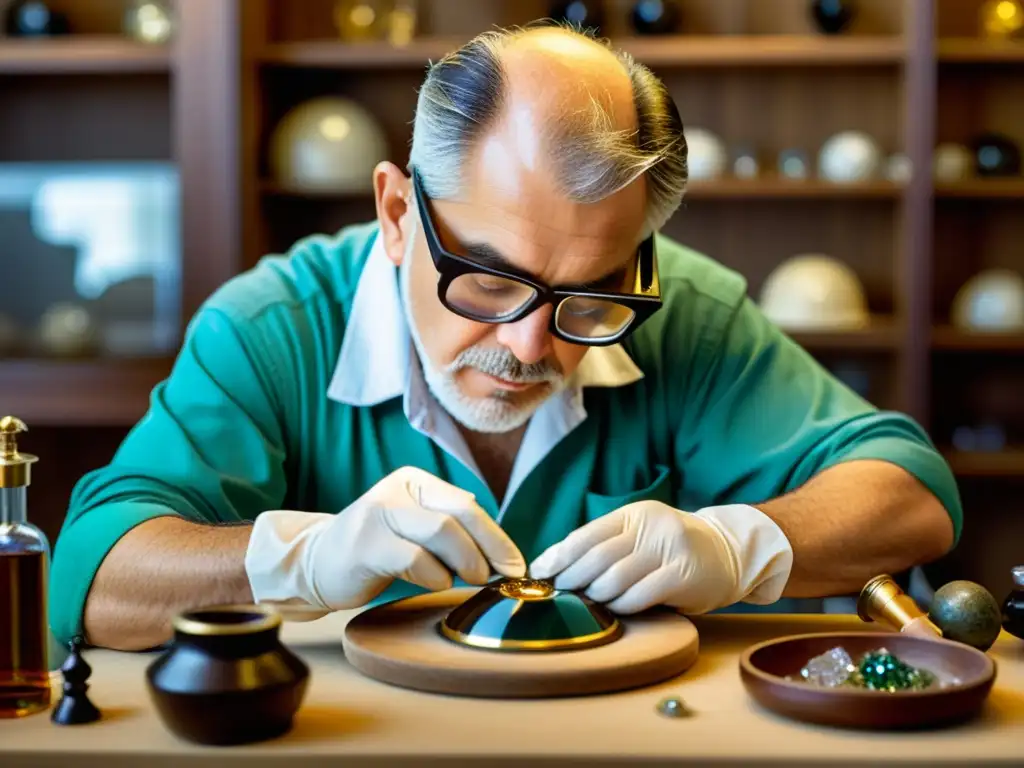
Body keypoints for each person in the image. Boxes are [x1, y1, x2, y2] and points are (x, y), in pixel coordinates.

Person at [49, 24, 961, 652]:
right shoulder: (272, 327)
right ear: (398, 212)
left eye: (591, 294)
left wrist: (741, 546)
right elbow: (88, 580)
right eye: (488, 281)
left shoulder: (684, 308)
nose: (530, 347)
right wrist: (306, 557)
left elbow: (912, 495)